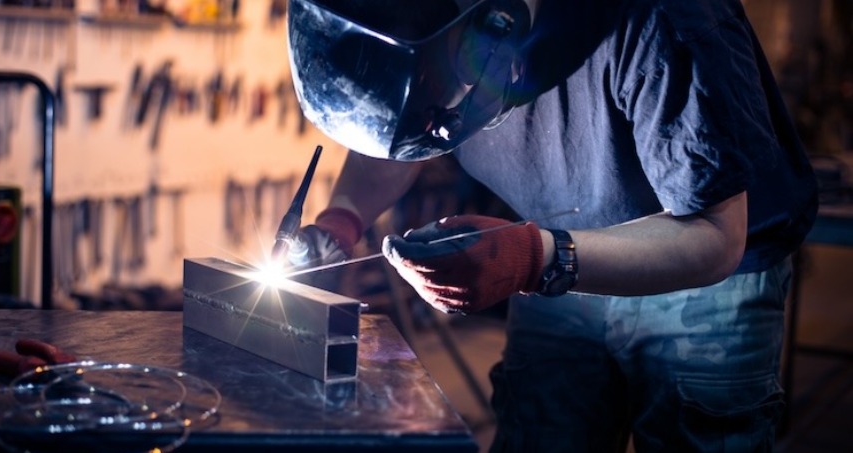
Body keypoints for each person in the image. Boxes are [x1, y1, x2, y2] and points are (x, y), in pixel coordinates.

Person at [285, 0, 819, 451]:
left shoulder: (658, 19)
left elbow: (715, 235)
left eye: (434, 97)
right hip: (554, 258)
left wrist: (532, 258)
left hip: (705, 272)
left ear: (496, 25)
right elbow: (399, 138)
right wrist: (340, 222)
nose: (433, 120)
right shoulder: (439, 40)